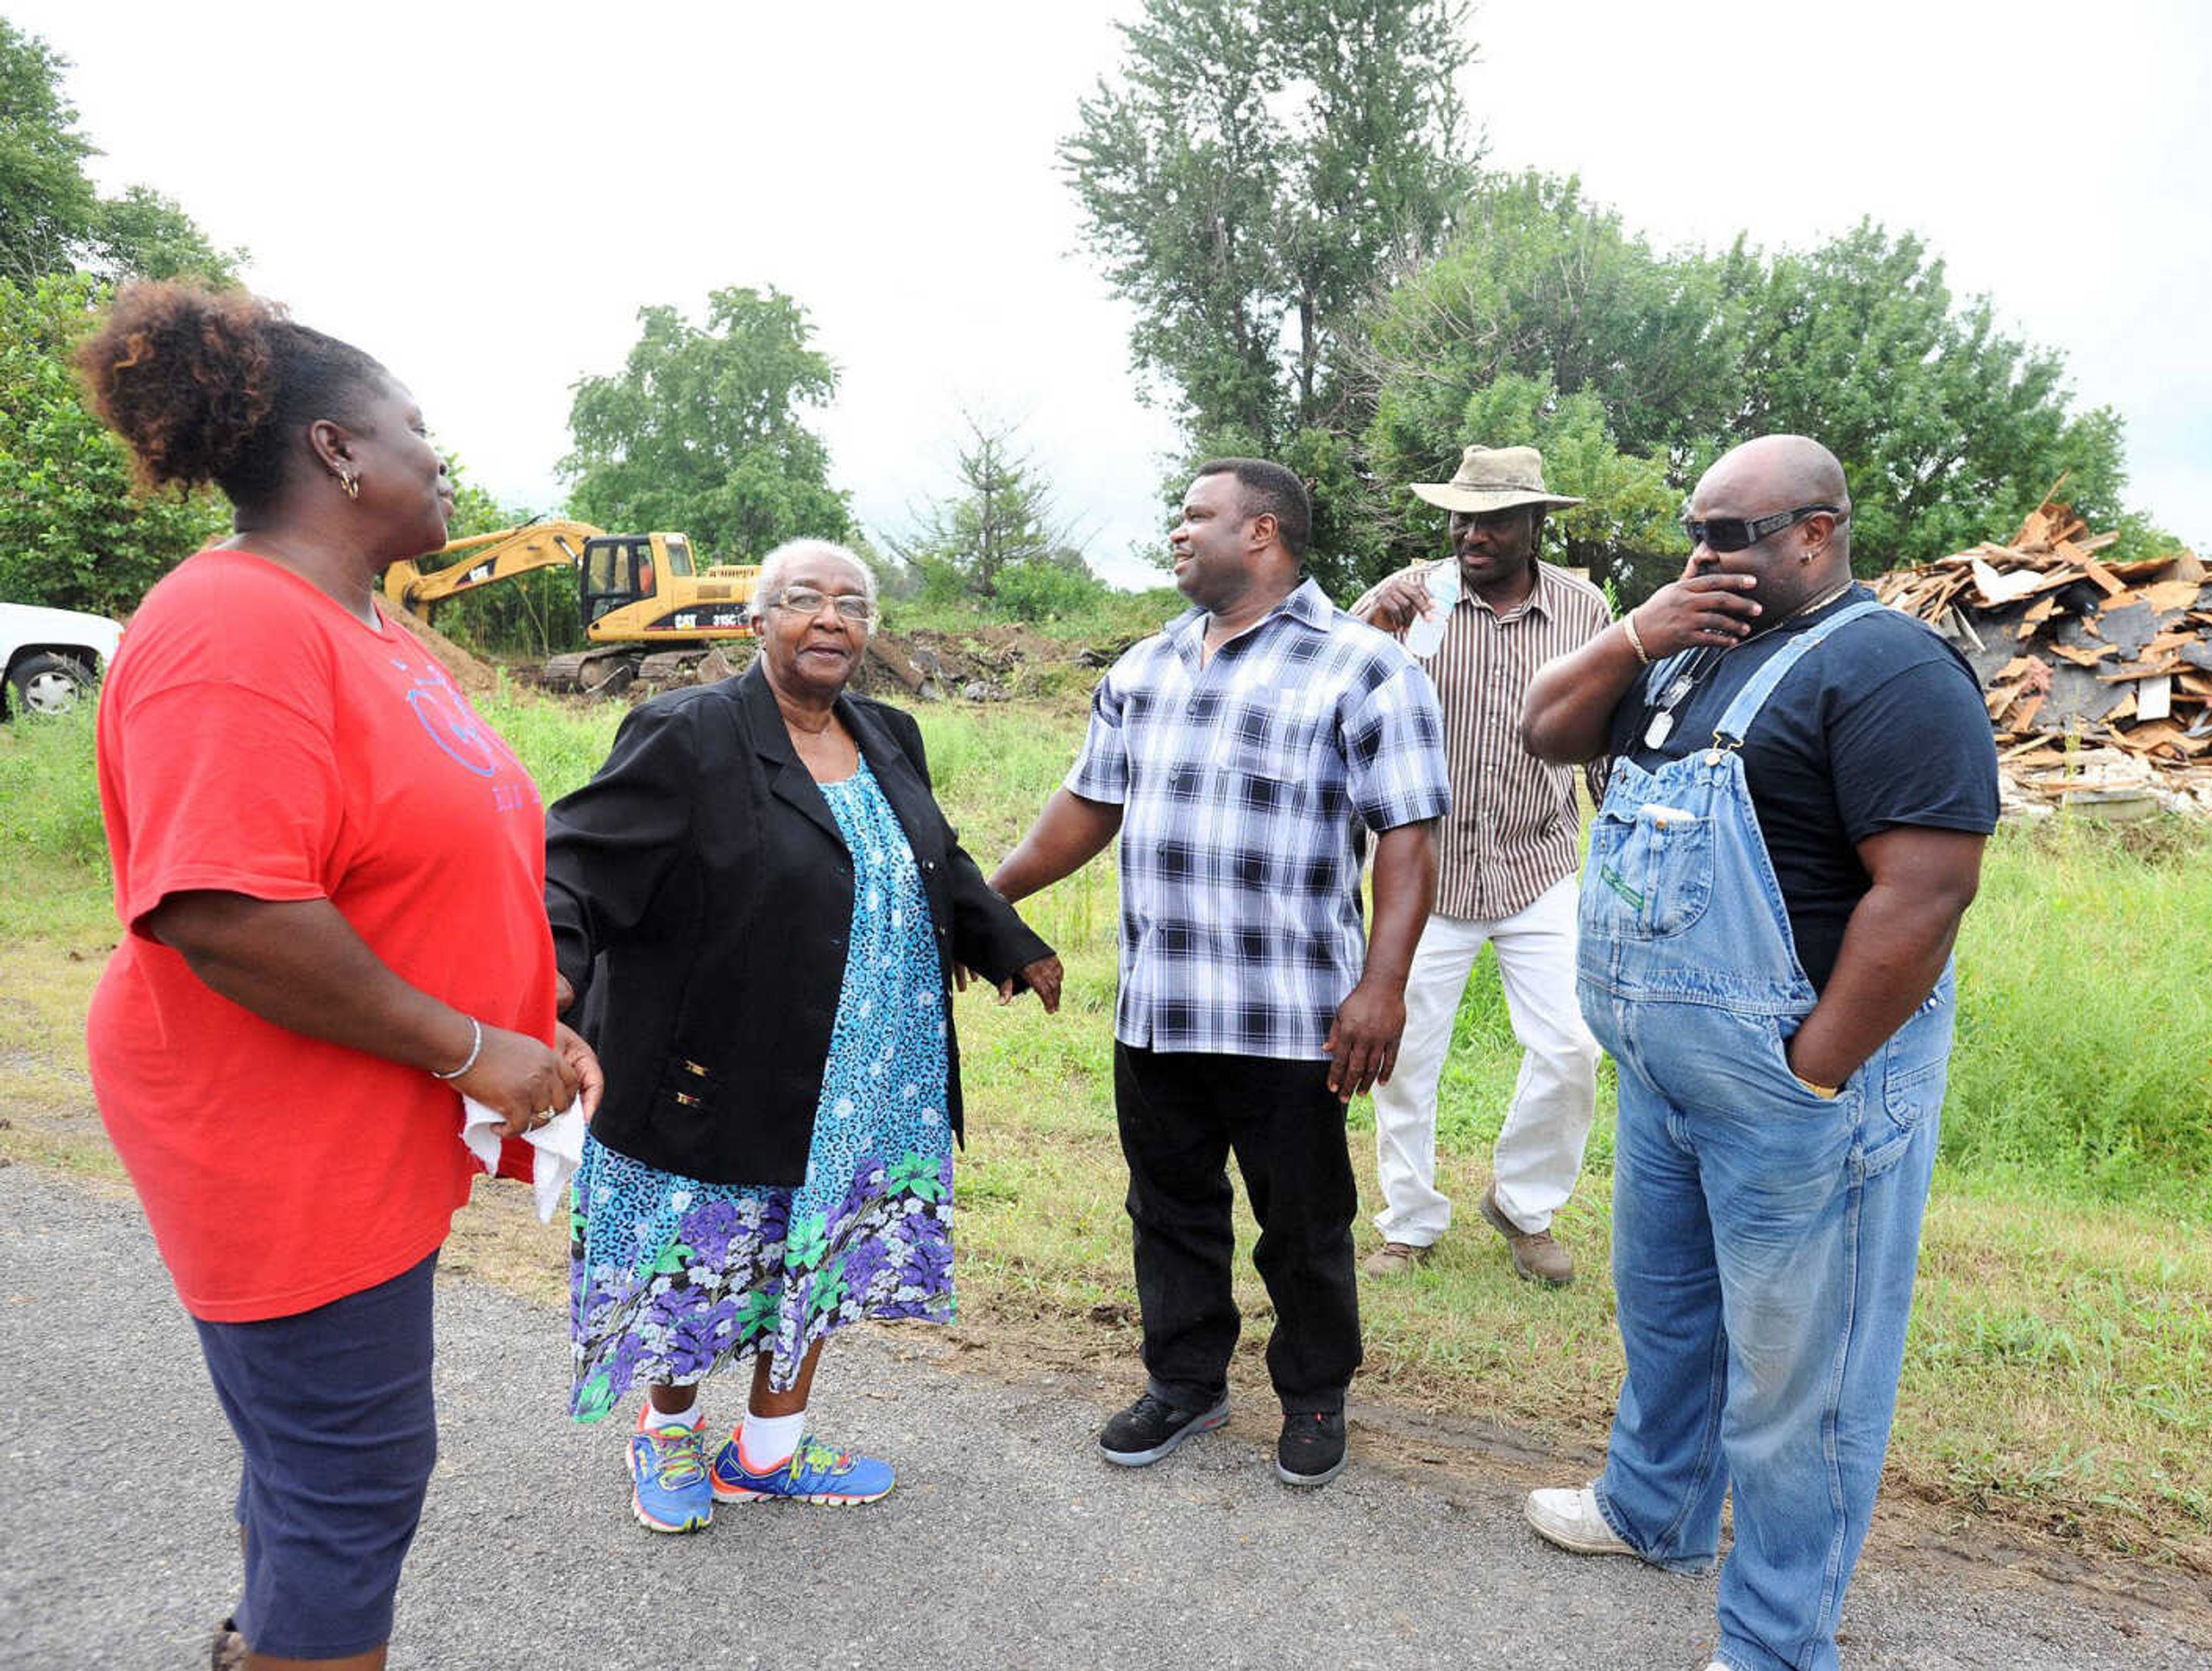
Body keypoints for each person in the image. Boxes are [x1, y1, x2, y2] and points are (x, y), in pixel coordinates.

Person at [77, 284, 597, 1671]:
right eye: (415, 430)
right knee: (350, 1479)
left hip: (371, 1100)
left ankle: (269, 1639)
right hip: (274, 1124)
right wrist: (467, 1049)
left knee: (318, 1463)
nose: (442, 458)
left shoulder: (378, 633)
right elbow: (227, 910)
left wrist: (535, 1027)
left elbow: (430, 856)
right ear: (338, 452)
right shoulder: (230, 627)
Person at [1515, 436, 2000, 1671]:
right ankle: (1652, 1512)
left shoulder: (1889, 667)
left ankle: (1778, 1641)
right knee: (1669, 1318)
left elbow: (1928, 892)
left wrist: (1816, 1072)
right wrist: (1640, 628)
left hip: (1796, 1093)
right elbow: (1543, 730)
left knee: (1802, 1385)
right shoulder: (1688, 653)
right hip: (1673, 1080)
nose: (1703, 551)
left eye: (1729, 534)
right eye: (1694, 528)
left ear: (1816, 534)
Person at [546, 537, 1061, 1534]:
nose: (831, 618)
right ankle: (667, 1432)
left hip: (871, 1065)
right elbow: (575, 859)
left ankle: (770, 1451)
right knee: (695, 1258)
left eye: (852, 604)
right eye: (804, 600)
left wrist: (1010, 942)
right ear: (756, 621)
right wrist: (550, 984)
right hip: (721, 1055)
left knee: (819, 1249)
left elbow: (933, 856)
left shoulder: (888, 732)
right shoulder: (690, 734)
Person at [989, 460, 1450, 1489]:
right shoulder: (1146, 667)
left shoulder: (1364, 666)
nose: (1178, 532)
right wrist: (991, 899)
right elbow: (1089, 807)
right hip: (1160, 1004)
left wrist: (1383, 988)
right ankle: (1187, 1383)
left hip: (1291, 1016)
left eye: (1198, 515)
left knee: (1302, 1220)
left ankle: (1316, 1392)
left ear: (1265, 533)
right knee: (1168, 1206)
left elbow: (1410, 837)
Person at [1347, 445, 1610, 1287]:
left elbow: (1604, 722)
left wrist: (1622, 824)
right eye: (1462, 517)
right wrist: (1373, 629)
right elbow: (1331, 694)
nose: (1472, 533)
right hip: (1425, 867)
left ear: (1536, 525)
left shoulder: (1584, 608)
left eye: (1495, 518)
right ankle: (1410, 1221)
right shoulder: (1410, 598)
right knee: (1405, 1050)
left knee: (1573, 1044)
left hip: (1538, 858)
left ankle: (1524, 1206)